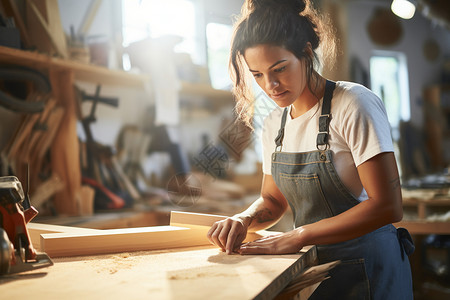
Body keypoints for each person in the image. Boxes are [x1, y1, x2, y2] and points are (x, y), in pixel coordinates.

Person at [206, 0, 414, 298]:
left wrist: (299, 235)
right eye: (258, 75)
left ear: (306, 53)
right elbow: (272, 200)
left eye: (280, 69)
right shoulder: (274, 122)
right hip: (316, 271)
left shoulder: (353, 103)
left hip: (371, 270)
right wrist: (244, 218)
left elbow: (388, 205)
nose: (271, 85)